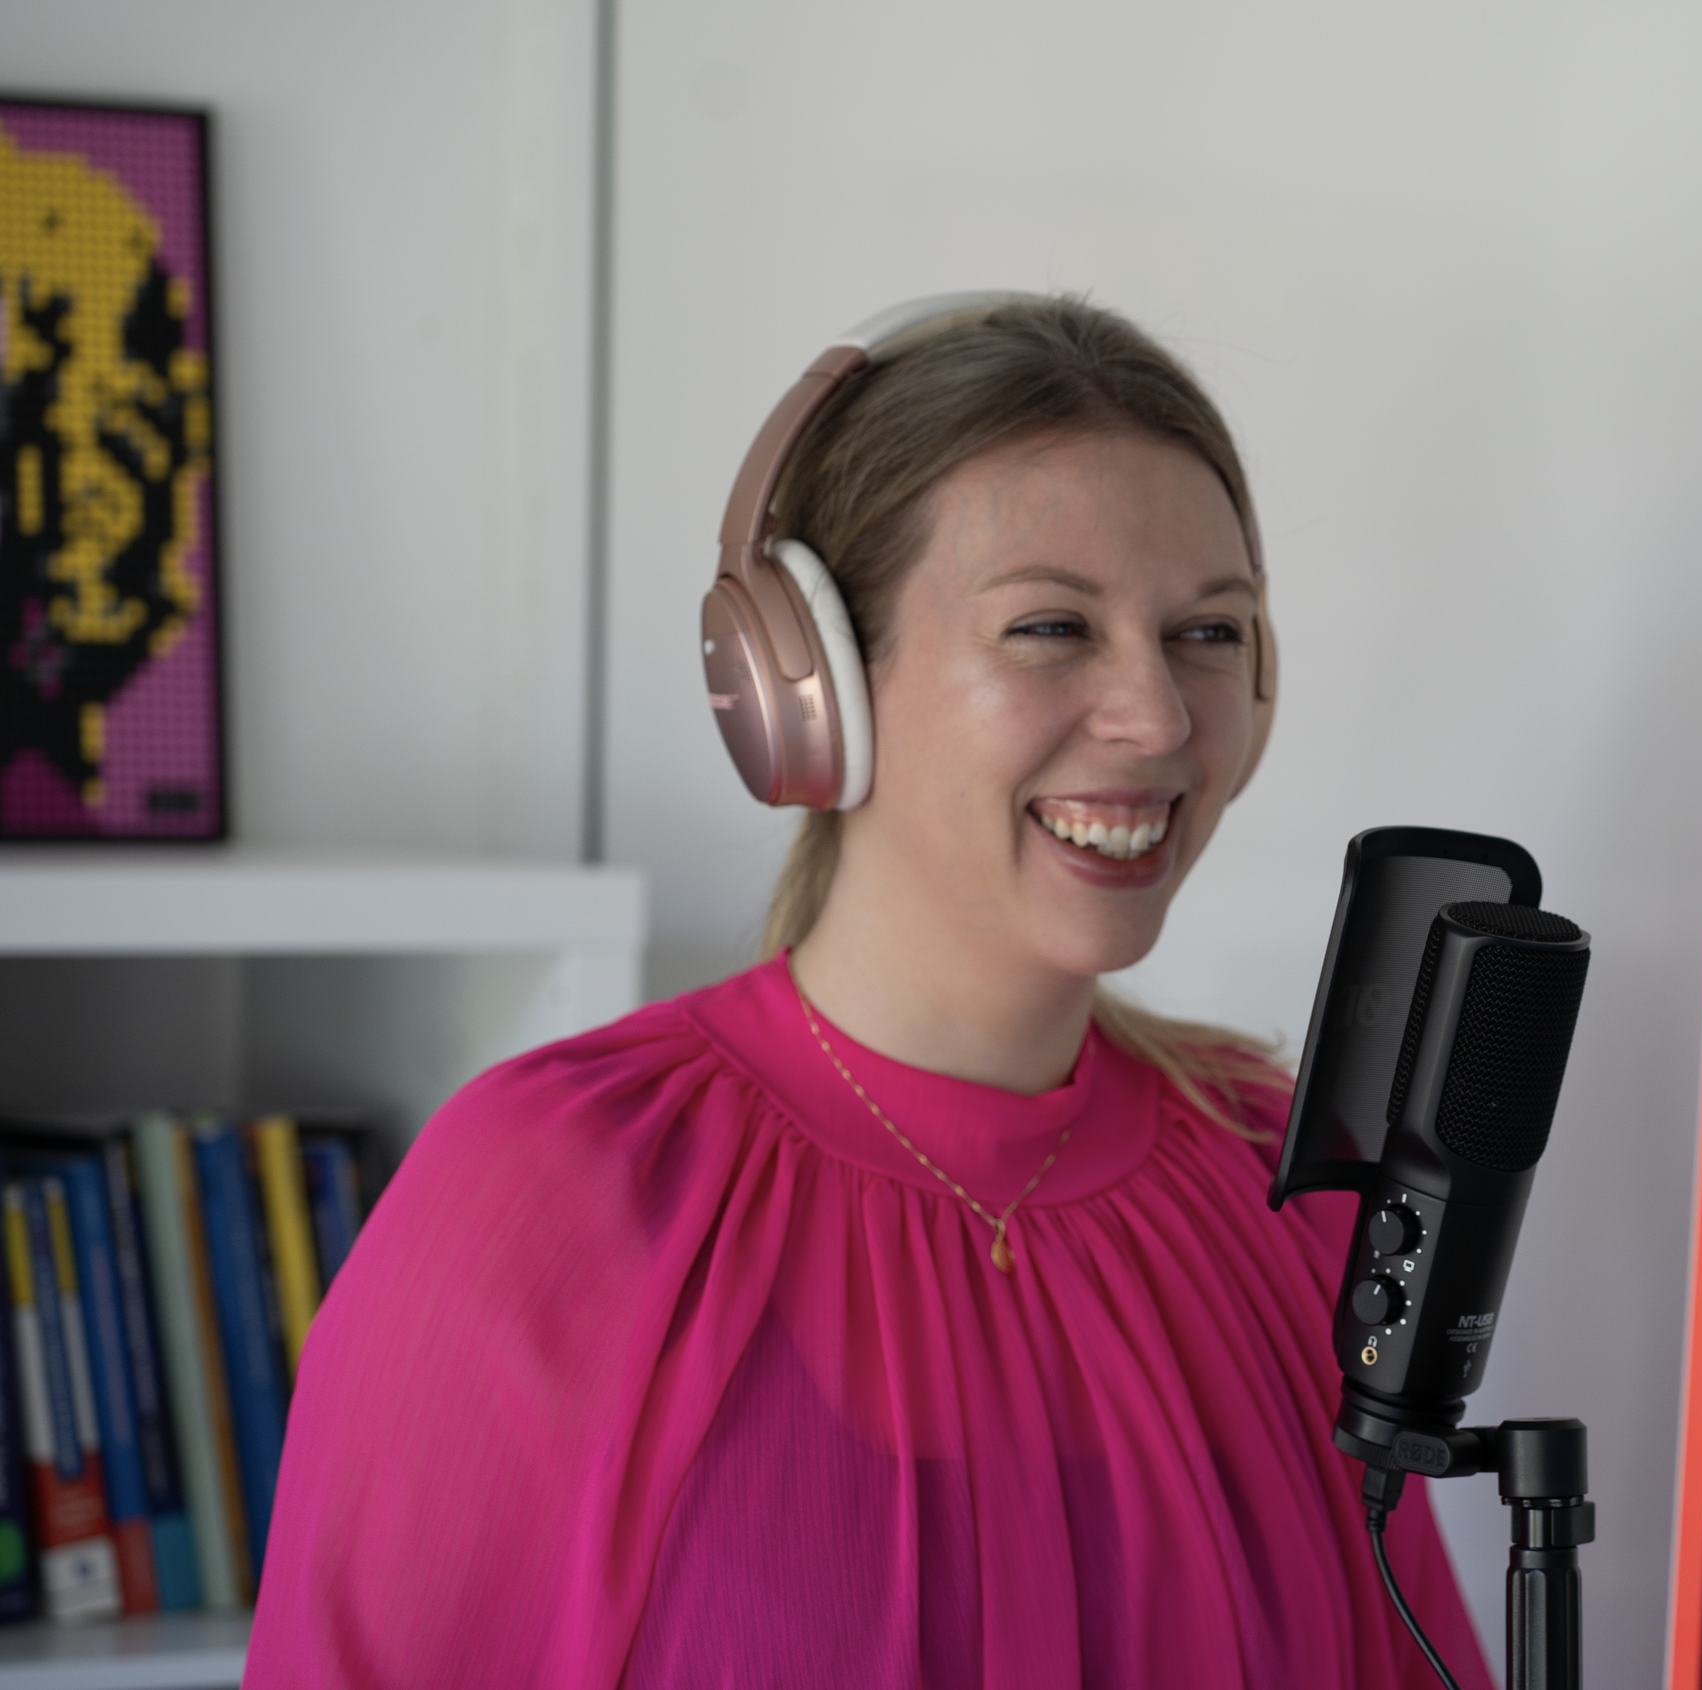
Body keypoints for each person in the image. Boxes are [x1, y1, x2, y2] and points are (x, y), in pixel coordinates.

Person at [250, 296, 1491, 1687]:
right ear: (809, 687)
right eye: (1049, 626)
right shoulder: (549, 1189)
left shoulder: (1285, 1184)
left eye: (1207, 632)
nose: (1153, 716)